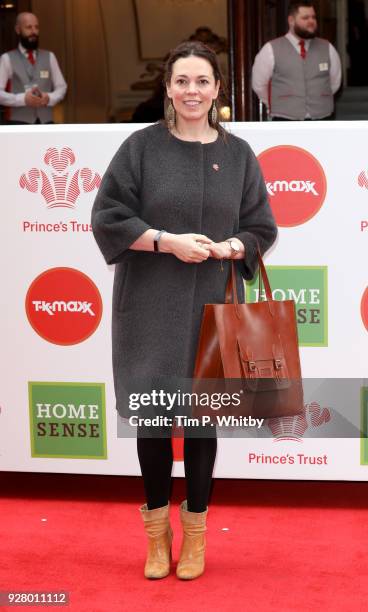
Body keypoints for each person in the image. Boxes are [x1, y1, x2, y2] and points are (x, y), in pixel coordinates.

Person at [91, 41, 277, 580]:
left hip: (213, 307)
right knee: (152, 421)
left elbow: (261, 227)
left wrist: (233, 247)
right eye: (181, 81)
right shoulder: (140, 147)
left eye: (202, 81)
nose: (191, 91)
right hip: (147, 305)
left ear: (219, 88)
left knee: (201, 426)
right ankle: (157, 537)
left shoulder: (239, 154)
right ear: (168, 88)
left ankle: (195, 535)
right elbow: (107, 214)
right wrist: (163, 241)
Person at [252, 1, 342, 121]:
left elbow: (335, 82)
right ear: (291, 20)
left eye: (313, 17)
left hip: (322, 119)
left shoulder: (328, 47)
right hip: (284, 119)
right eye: (305, 18)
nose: (311, 21)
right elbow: (259, 84)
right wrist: (277, 103)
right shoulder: (270, 49)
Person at [0, 12, 67, 124]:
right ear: (18, 30)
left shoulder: (50, 56)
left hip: (46, 123)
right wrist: (22, 99)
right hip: (18, 123)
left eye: (36, 27)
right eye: (29, 27)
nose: (34, 32)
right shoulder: (6, 58)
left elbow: (62, 87)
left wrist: (49, 98)